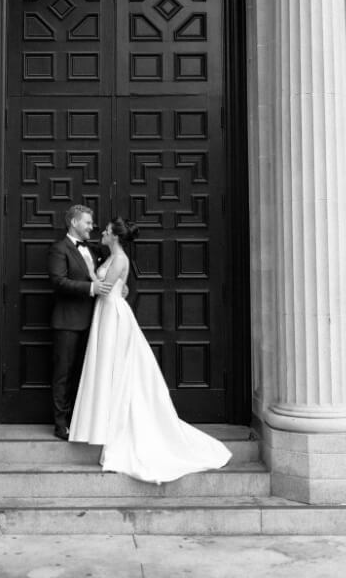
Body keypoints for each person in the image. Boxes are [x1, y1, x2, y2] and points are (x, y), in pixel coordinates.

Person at [69, 216, 232, 484]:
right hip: (108, 311)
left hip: (112, 314)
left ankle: (116, 429)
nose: (103, 233)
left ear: (116, 237)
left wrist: (89, 273)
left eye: (107, 231)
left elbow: (105, 288)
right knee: (109, 367)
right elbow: (121, 286)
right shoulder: (113, 257)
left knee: (116, 367)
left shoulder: (119, 258)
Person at [47, 204, 111, 440]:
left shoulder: (92, 249)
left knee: (85, 375)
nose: (91, 227)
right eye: (87, 222)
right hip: (67, 322)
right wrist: (91, 288)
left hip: (93, 322)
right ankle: (61, 424)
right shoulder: (59, 249)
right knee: (63, 374)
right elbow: (59, 282)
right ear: (74, 222)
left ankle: (81, 420)